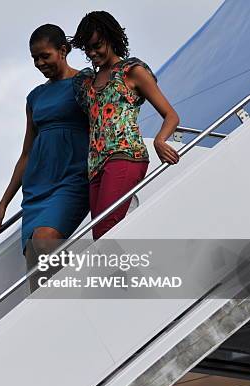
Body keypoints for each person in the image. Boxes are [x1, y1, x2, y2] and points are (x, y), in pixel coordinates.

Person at [0, 24, 90, 288]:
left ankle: (73, 304)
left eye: (44, 55)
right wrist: (3, 203)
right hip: (38, 186)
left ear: (63, 50)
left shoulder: (86, 82)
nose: (39, 62)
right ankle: (50, 321)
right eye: (34, 58)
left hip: (73, 177)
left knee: (46, 239)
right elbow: (26, 153)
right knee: (35, 261)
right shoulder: (35, 97)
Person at [71, 11, 180, 239]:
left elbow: (171, 115)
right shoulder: (87, 82)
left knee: (105, 230)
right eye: (87, 49)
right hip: (95, 165)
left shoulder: (132, 71)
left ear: (111, 38)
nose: (92, 53)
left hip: (125, 155)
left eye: (97, 45)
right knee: (100, 235)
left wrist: (160, 140)